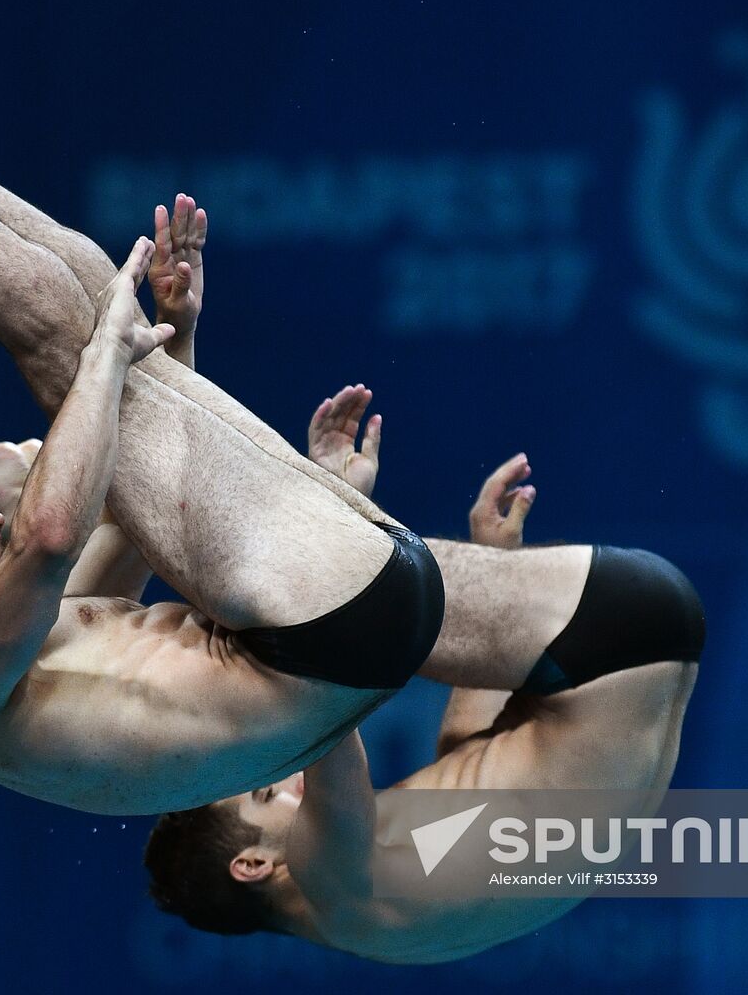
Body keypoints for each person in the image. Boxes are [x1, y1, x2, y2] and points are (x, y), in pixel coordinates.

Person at [0, 39, 703, 818]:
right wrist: (108, 364)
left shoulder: (37, 655)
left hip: (355, 624)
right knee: (70, 352)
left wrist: (173, 345)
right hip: (323, 636)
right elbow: (50, 534)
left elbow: (139, 518)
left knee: (98, 331)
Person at [145, 392, 700, 962]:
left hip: (637, 648)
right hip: (607, 635)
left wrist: (497, 573)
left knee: (328, 596)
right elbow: (324, 690)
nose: (284, 776)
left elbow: (473, 771)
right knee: (285, 590)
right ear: (252, 864)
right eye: (266, 792)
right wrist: (332, 499)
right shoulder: (332, 882)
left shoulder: (394, 932)